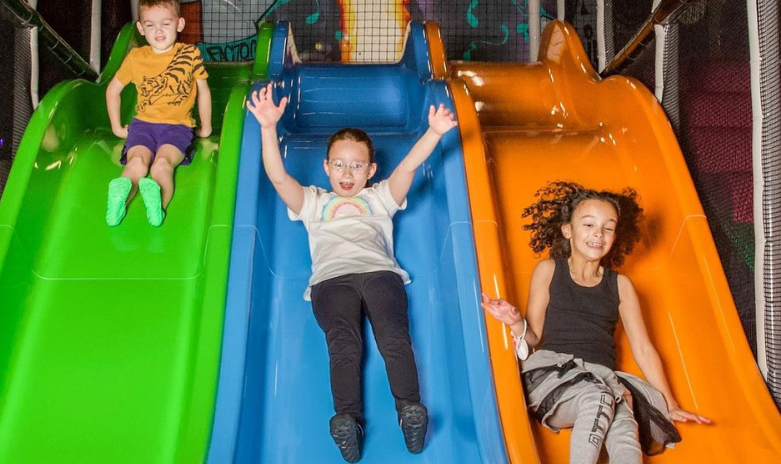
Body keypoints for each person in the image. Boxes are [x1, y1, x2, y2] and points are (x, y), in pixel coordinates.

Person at [246, 82, 457, 462]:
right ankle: (348, 420)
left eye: (357, 165)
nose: (347, 173)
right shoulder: (313, 202)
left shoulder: (379, 197)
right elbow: (278, 178)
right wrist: (267, 127)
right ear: (326, 166)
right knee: (344, 345)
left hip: (379, 274)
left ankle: (409, 410)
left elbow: (409, 165)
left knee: (393, 336)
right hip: (331, 281)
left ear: (371, 170)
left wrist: (435, 132)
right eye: (339, 164)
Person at [481, 181, 711, 464]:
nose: (598, 234)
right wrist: (516, 323)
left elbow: (643, 348)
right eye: (588, 225)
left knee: (626, 425)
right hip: (552, 380)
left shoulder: (621, 285)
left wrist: (671, 404)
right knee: (600, 397)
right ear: (568, 230)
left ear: (616, 235)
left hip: (603, 379)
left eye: (608, 227)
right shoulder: (550, 270)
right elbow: (533, 337)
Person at [105, 0, 211, 227]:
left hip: (144, 127)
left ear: (179, 24)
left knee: (136, 163)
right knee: (162, 164)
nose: (159, 30)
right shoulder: (190, 53)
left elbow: (113, 91)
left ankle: (120, 195)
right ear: (141, 29)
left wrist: (116, 126)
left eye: (165, 23)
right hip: (176, 128)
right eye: (151, 25)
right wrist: (206, 127)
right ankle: (158, 207)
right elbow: (203, 92)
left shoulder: (139, 56)